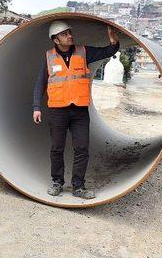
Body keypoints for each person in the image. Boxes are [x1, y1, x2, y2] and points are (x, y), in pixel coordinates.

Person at [32, 20, 119, 199]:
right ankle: (57, 182)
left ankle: (78, 186)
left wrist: (113, 42)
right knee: (57, 148)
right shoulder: (49, 57)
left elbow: (107, 52)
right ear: (56, 40)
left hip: (79, 111)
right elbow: (40, 83)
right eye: (64, 34)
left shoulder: (83, 52)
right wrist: (36, 107)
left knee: (82, 148)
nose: (69, 36)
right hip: (58, 111)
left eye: (69, 32)